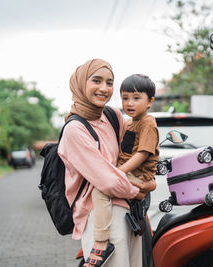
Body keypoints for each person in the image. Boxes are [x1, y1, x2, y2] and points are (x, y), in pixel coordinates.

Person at [58, 59, 156, 267]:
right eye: (97, 81)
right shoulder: (75, 130)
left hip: (129, 212)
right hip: (100, 216)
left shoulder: (112, 116)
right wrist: (140, 190)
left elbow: (132, 154)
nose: (104, 88)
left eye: (109, 83)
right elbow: (108, 181)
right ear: (81, 83)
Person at [90, 73, 159, 266]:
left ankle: (102, 241)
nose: (130, 103)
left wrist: (118, 173)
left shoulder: (148, 123)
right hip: (129, 173)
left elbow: (142, 154)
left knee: (101, 190)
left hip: (137, 175)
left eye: (136, 98)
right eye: (125, 98)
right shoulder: (128, 123)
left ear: (150, 101)